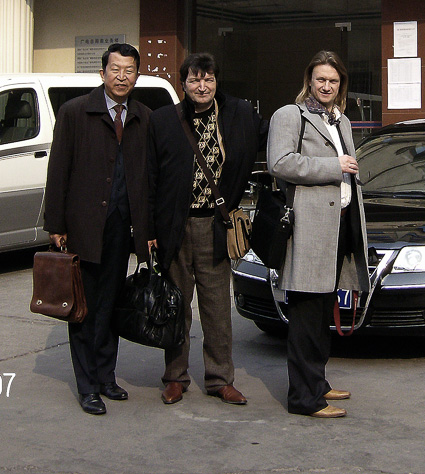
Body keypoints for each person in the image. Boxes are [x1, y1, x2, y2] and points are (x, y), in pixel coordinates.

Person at [148, 52, 265, 406]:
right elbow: (149, 176)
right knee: (176, 306)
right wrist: (150, 229)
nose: (203, 86)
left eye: (209, 79)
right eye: (195, 79)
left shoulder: (237, 113)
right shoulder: (164, 120)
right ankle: (175, 376)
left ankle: (219, 379)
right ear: (182, 83)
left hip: (215, 226)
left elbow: (269, 137)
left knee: (217, 309)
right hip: (175, 227)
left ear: (217, 82)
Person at [43, 42, 153, 415]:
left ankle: (107, 376)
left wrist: (146, 228)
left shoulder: (143, 116)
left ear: (137, 75)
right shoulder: (75, 112)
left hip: (123, 226)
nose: (122, 77)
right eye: (115, 70)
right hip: (85, 226)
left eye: (129, 70)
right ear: (102, 73)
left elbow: (147, 178)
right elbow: (58, 170)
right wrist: (56, 223)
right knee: (83, 306)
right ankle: (87, 384)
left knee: (110, 304)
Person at [267, 50, 370, 418]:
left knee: (324, 312)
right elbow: (279, 162)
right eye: (320, 79)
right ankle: (304, 398)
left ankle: (318, 383)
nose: (326, 86)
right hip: (309, 229)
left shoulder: (339, 120)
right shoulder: (290, 115)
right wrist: (333, 166)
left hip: (339, 225)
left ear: (341, 85)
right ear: (309, 79)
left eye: (334, 81)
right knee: (306, 316)